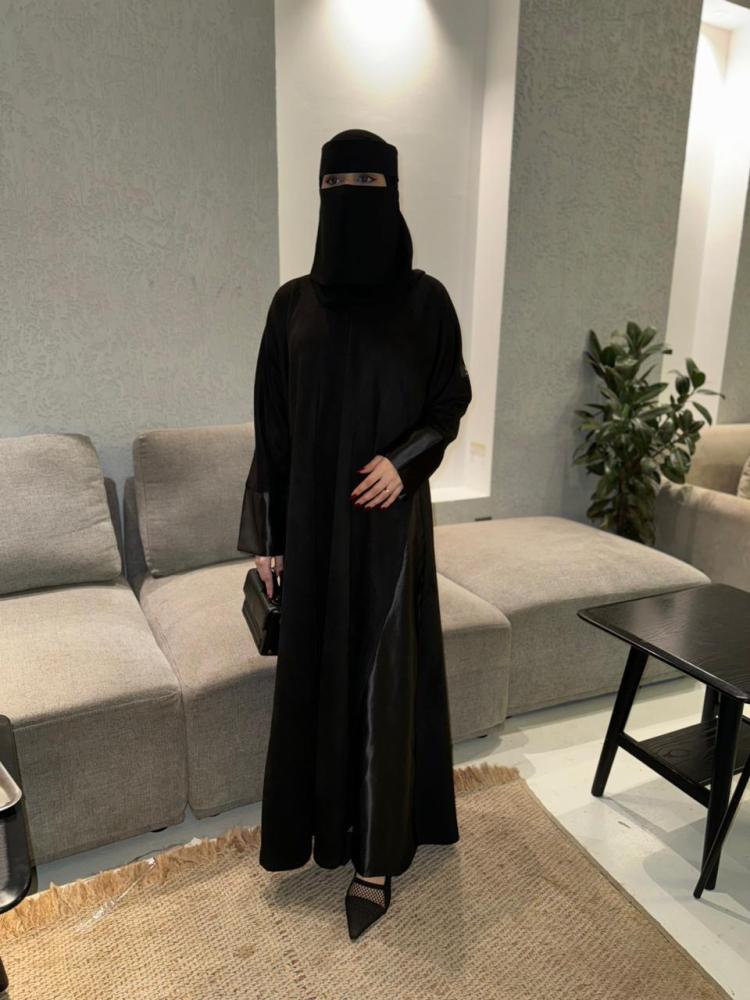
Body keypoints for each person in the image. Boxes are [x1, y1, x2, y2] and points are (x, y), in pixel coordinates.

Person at [237, 128, 473, 940]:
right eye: (336, 186)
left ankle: (376, 857)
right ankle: (320, 832)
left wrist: (404, 463)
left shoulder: (427, 303)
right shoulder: (292, 305)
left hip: (386, 527)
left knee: (381, 678)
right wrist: (270, 537)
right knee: (315, 673)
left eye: (366, 186)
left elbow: (448, 401)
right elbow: (273, 427)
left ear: (394, 195)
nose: (351, 202)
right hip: (311, 527)